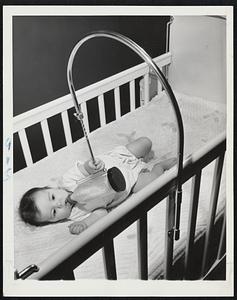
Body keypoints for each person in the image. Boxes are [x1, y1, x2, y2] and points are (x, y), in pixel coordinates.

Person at [19, 137, 176, 235]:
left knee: (145, 142)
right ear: (55, 221)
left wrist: (90, 167)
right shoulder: (77, 214)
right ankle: (160, 166)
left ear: (52, 188)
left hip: (118, 158)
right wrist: (85, 224)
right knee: (153, 182)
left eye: (52, 197)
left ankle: (143, 156)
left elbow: (82, 170)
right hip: (130, 181)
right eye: (54, 212)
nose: (59, 203)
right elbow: (101, 213)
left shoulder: (68, 181)